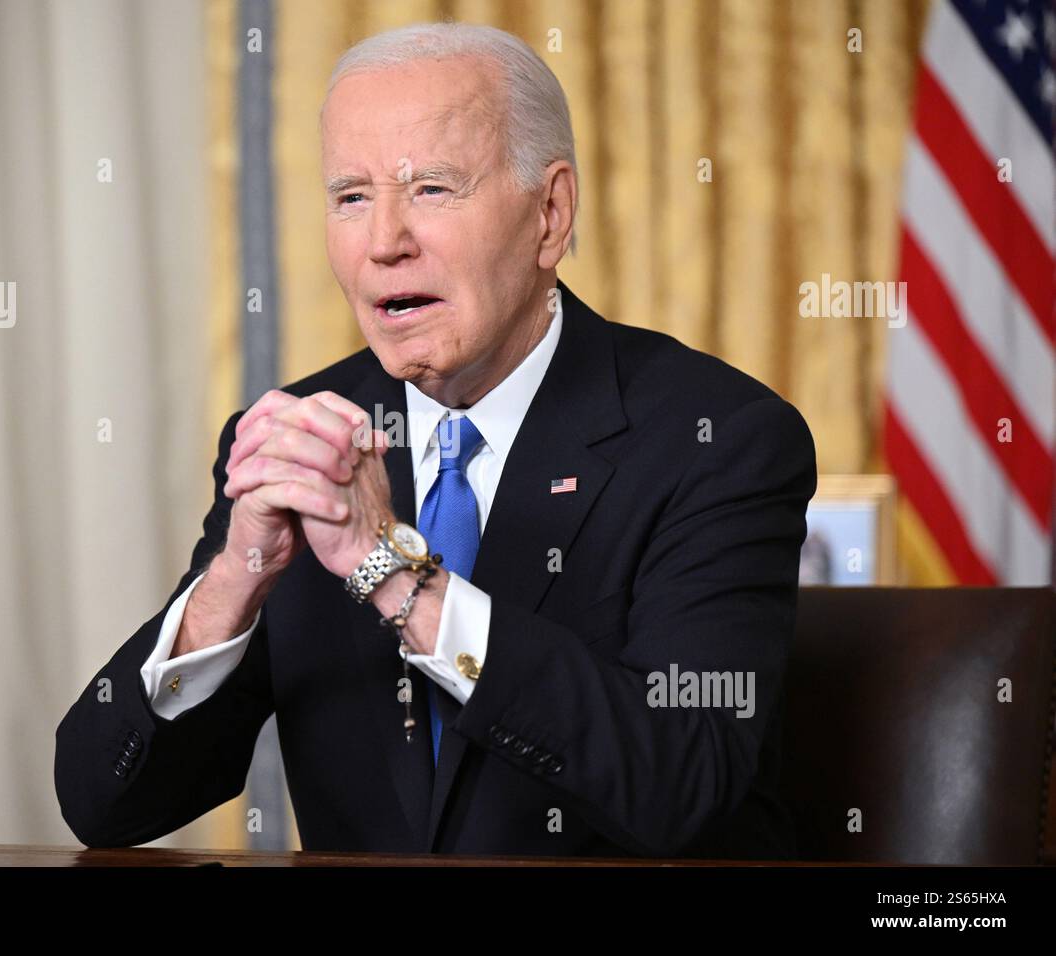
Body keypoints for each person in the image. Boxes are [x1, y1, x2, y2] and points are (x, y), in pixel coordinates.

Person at [54, 22, 817, 859]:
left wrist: (391, 573)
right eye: (351, 195)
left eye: (431, 190)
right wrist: (235, 581)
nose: (384, 242)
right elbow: (104, 807)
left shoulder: (717, 440)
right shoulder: (304, 436)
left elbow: (686, 784)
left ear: (550, 214)